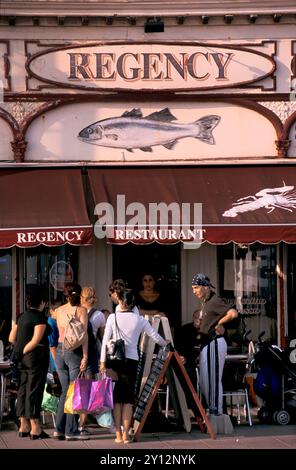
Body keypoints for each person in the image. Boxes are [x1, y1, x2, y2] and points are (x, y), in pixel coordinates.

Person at [100, 285, 167, 444]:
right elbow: (154, 336)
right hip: (131, 361)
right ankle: (126, 435)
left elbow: (104, 342)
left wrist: (102, 361)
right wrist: (167, 342)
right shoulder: (139, 319)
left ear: (121, 301)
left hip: (114, 362)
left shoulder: (112, 318)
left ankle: (117, 434)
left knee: (117, 400)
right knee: (128, 400)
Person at [191, 273, 238, 416]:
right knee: (205, 383)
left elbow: (233, 313)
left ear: (205, 287)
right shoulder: (206, 302)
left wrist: (219, 323)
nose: (194, 291)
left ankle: (216, 415)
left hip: (214, 343)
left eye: (196, 287)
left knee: (213, 381)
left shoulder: (215, 300)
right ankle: (214, 413)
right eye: (193, 288)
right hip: (207, 344)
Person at [8, 286, 50, 439]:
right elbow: (36, 340)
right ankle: (35, 428)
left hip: (21, 360)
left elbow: (11, 338)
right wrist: (25, 350)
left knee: (23, 389)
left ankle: (23, 425)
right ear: (42, 303)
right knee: (35, 391)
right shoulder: (40, 318)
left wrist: (19, 350)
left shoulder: (21, 317)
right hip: (35, 358)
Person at [54, 283, 89, 441]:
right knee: (74, 391)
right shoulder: (81, 310)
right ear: (79, 295)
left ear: (66, 295)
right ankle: (71, 431)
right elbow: (84, 336)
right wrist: (85, 356)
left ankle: (59, 430)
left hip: (60, 351)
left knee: (64, 391)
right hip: (73, 351)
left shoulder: (59, 310)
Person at [79, 286, 106, 434]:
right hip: (90, 356)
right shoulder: (99, 315)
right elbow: (102, 338)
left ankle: (71, 422)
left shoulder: (75, 311)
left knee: (74, 388)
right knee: (86, 389)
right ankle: (82, 424)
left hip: (74, 355)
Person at [174, 309, 202, 391]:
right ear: (193, 317)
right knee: (186, 370)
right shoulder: (184, 329)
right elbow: (179, 347)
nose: (198, 320)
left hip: (203, 359)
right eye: (197, 318)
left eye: (201, 319)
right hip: (188, 359)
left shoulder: (208, 329)